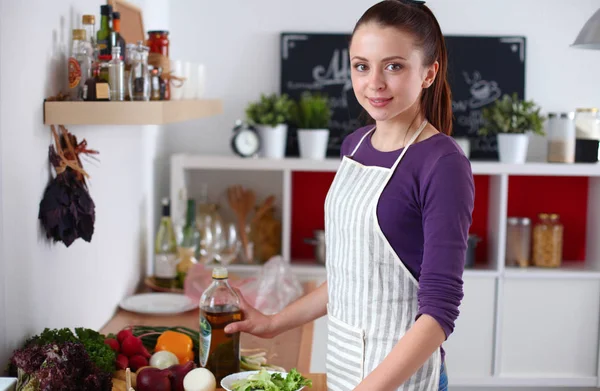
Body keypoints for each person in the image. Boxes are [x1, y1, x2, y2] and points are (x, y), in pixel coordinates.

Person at [225, 0, 475, 389]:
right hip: (343, 371)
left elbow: (439, 314)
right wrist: (273, 324)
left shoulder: (442, 163)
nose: (374, 82)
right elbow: (352, 279)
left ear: (428, 73)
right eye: (362, 65)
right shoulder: (355, 145)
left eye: (393, 66)